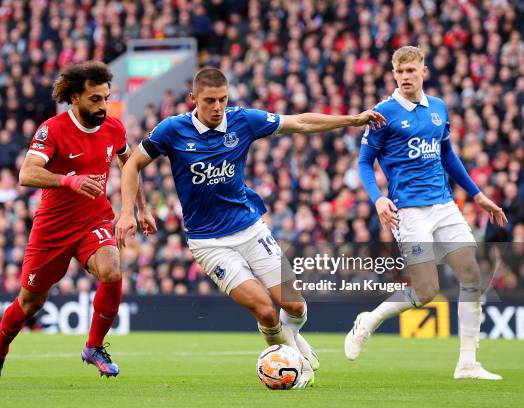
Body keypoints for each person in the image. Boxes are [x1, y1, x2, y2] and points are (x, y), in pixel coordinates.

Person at [118, 68, 385, 388]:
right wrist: (129, 212)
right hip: (209, 242)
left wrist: (352, 120)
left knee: (295, 305)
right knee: (265, 311)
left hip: (251, 229)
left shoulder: (243, 120)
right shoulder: (172, 130)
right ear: (193, 99)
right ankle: (293, 365)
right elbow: (132, 163)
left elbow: (299, 122)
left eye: (222, 99)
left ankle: (293, 342)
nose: (217, 107)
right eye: (209, 101)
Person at [0, 61, 156, 384]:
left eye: (106, 97)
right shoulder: (53, 129)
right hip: (53, 229)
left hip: (94, 220)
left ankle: (94, 347)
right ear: (75, 97)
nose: (103, 106)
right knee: (29, 303)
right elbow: (26, 173)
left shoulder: (114, 128)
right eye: (95, 99)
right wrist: (68, 181)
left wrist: (138, 209)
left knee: (112, 269)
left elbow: (129, 165)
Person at [349, 46, 507, 380]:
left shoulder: (438, 108)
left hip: (444, 205)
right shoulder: (383, 113)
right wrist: (377, 198)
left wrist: (477, 196)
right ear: (393, 74)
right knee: (426, 291)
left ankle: (467, 362)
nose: (405, 76)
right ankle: (369, 320)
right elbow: (364, 161)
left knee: (470, 276)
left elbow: (448, 154)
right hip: (409, 211)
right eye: (400, 71)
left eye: (411, 70)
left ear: (424, 70)